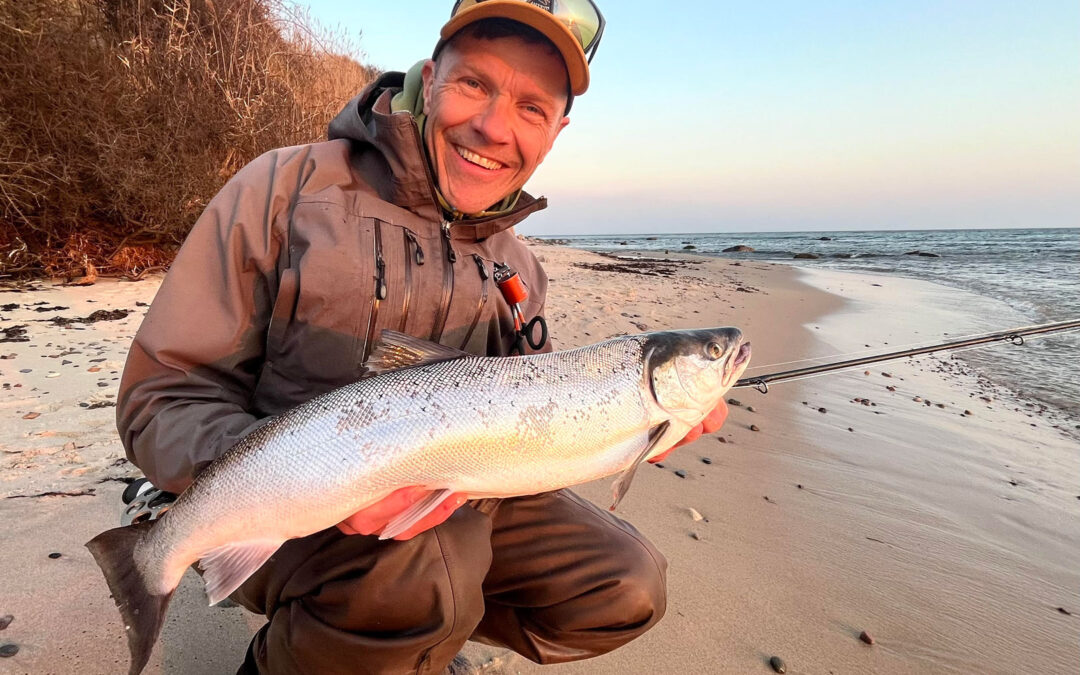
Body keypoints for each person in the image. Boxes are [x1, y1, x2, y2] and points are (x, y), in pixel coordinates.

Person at [116, 1, 727, 672]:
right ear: (431, 78)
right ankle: (370, 628)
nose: (494, 127)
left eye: (531, 108)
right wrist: (279, 477)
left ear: (557, 130)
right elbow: (162, 393)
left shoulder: (518, 270)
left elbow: (526, 433)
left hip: (452, 512)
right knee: (419, 574)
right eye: (475, 84)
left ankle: (412, 638)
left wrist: (637, 430)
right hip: (273, 497)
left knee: (625, 585)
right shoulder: (282, 189)